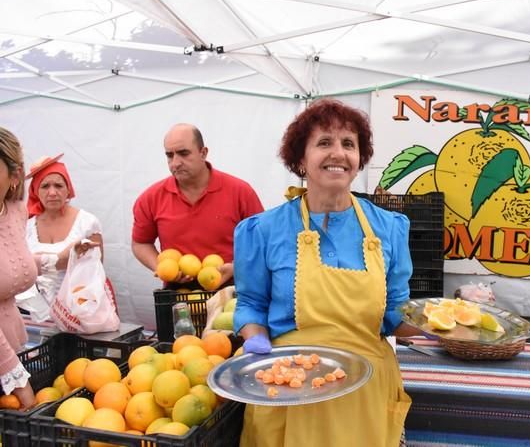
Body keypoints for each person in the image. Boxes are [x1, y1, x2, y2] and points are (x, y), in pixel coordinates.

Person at [233, 99, 417, 447]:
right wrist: (255, 338)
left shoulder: (389, 228)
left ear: (360, 159)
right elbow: (252, 303)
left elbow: (395, 313)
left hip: (365, 393)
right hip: (289, 386)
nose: (338, 153)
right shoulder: (263, 230)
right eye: (324, 143)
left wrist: (438, 326)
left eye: (349, 144)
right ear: (300, 160)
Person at [131, 123, 264, 287]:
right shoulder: (150, 198)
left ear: (203, 153)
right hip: (178, 295)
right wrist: (161, 267)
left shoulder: (240, 191)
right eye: (169, 155)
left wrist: (237, 267)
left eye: (183, 153)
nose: (175, 163)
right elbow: (140, 243)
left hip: (233, 291)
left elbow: (262, 240)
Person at [19, 154, 104, 317]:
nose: (52, 192)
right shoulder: (26, 226)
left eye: (58, 185)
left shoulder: (87, 222)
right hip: (35, 312)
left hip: (78, 311)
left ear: (68, 189)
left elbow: (96, 272)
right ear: (35, 191)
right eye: (45, 186)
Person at [0, 127, 38, 409]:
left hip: (12, 344)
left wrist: (58, 259)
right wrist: (16, 376)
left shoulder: (15, 211)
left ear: (15, 176)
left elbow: (11, 265)